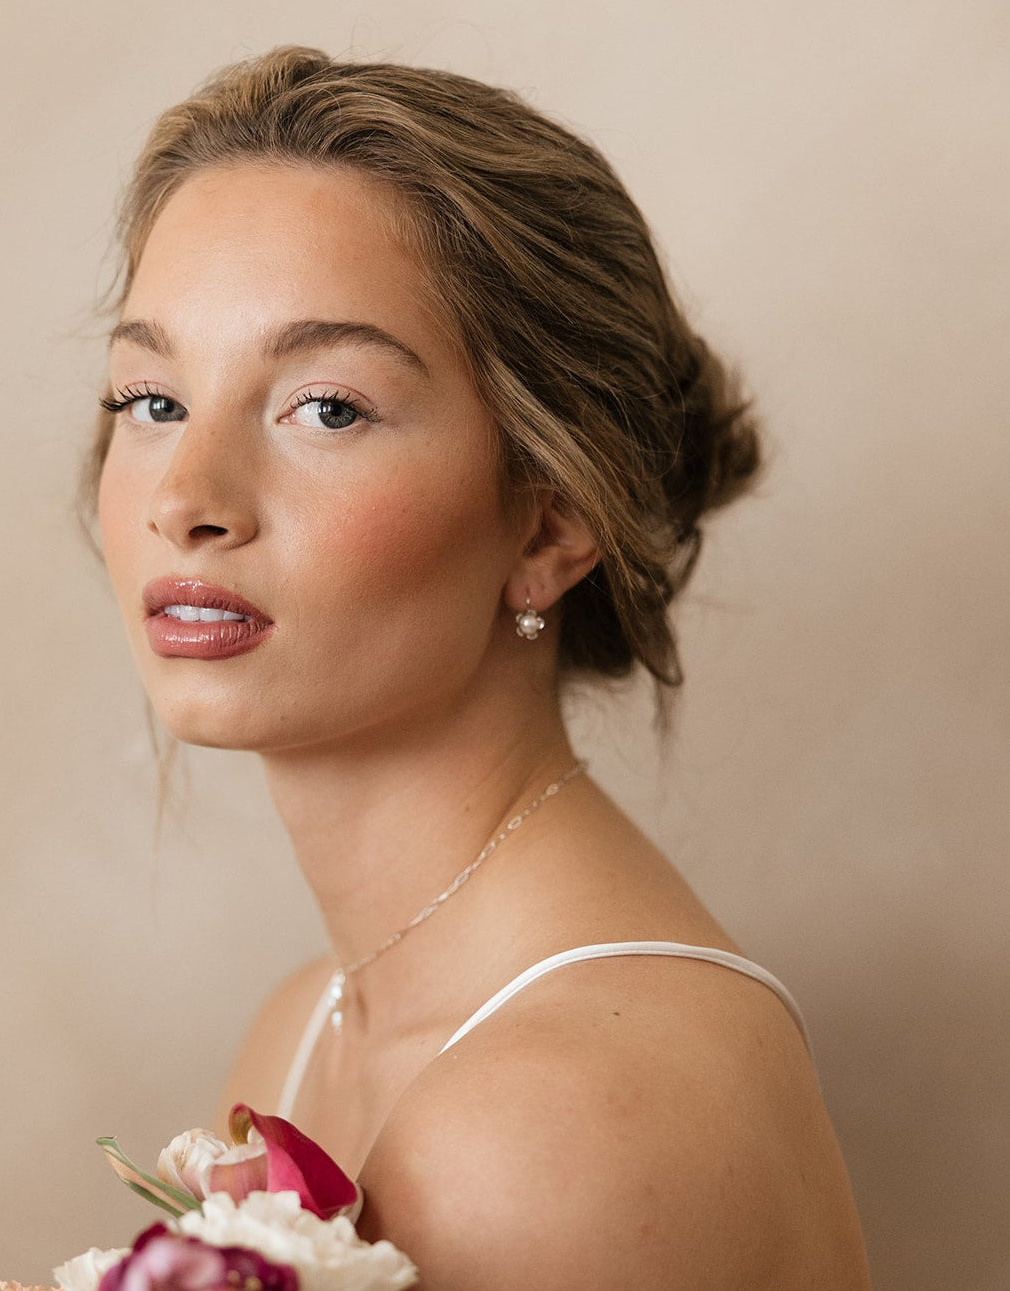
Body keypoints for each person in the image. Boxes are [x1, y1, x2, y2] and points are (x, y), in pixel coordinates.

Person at [88, 46, 871, 1289]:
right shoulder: (307, 1028)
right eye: (151, 400)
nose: (185, 500)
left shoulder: (550, 1129)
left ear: (549, 524)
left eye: (326, 407)